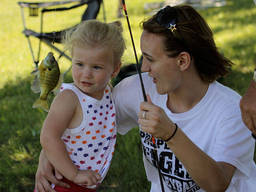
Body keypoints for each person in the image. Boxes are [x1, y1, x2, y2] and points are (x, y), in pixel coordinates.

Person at [35, 5, 256, 192]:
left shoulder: (232, 110)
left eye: (150, 59)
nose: (144, 68)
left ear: (182, 61)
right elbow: (81, 121)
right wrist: (48, 154)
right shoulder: (137, 88)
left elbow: (216, 183)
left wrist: (170, 133)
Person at [36, 19, 125, 192]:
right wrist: (74, 174)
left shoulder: (106, 91)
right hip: (63, 182)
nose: (86, 74)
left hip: (85, 182)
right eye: (79, 64)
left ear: (114, 70)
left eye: (96, 67)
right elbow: (48, 137)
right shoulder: (69, 98)